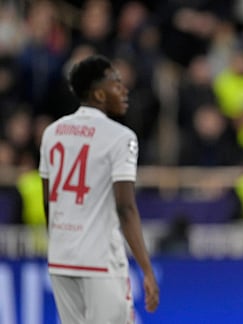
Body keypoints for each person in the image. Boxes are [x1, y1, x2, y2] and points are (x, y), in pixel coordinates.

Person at [39, 55, 159, 323]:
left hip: (61, 258)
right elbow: (125, 207)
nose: (124, 89)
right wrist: (147, 269)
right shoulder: (121, 137)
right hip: (101, 260)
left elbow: (49, 202)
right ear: (99, 94)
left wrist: (59, 244)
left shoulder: (52, 133)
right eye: (116, 83)